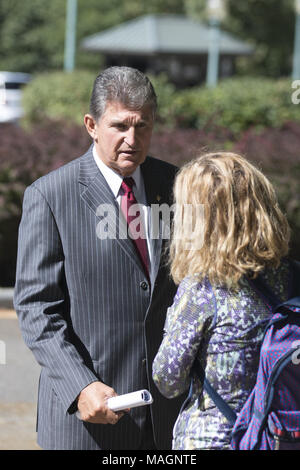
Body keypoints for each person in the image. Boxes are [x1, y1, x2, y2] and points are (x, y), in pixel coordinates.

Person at [13, 66, 184, 450]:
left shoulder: (177, 187)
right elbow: (37, 308)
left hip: (167, 424)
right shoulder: (50, 196)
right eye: (119, 126)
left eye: (143, 126)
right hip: (88, 424)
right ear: (91, 124)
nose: (132, 138)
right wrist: (81, 385)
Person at [152, 152, 295, 450]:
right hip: (276, 437)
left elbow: (167, 380)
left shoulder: (203, 289)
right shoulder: (288, 276)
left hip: (216, 440)